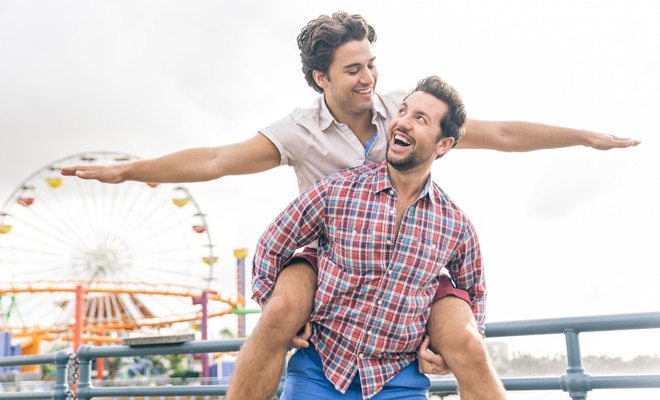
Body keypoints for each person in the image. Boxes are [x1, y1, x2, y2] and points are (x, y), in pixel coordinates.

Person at [60, 11, 638, 400]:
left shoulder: (404, 112)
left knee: (465, 340)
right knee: (282, 310)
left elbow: (505, 134)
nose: (368, 79)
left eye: (371, 65)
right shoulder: (300, 132)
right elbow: (215, 161)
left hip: (409, 251)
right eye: (353, 69)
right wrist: (128, 171)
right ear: (321, 78)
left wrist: (584, 135)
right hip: (328, 253)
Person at [252, 75, 494, 399]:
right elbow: (272, 245)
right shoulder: (337, 190)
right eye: (403, 111)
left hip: (398, 381)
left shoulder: (455, 224)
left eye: (419, 119)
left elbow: (474, 291)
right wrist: (273, 308)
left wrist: (450, 358)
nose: (402, 123)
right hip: (320, 371)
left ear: (443, 144)